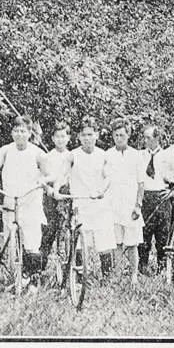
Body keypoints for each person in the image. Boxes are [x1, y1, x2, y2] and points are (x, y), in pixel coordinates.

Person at [0, 116, 48, 291]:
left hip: (30, 200)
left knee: (32, 241)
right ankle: (17, 277)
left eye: (23, 131)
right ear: (12, 133)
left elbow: (48, 174)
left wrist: (41, 182)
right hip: (11, 198)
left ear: (30, 133)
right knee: (11, 238)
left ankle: (33, 280)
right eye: (16, 131)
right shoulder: (6, 150)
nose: (19, 134)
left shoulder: (37, 152)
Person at [54, 118, 115, 278]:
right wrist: (56, 190)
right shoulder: (73, 155)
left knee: (104, 243)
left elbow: (109, 177)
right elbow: (61, 175)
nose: (87, 138)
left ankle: (107, 280)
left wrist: (101, 190)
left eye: (90, 134)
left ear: (96, 135)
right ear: (79, 137)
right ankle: (80, 278)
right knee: (80, 243)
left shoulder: (103, 155)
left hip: (99, 204)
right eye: (84, 135)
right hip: (80, 203)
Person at [104, 118, 144, 284]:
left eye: (122, 135)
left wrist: (138, 205)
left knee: (132, 243)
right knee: (117, 243)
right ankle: (118, 274)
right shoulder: (107, 154)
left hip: (130, 205)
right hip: (113, 205)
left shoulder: (136, 155)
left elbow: (141, 183)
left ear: (128, 135)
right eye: (116, 135)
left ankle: (134, 275)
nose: (119, 138)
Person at [138, 123, 174, 276]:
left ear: (157, 138)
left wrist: (172, 191)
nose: (145, 140)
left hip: (162, 197)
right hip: (145, 197)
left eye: (148, 137)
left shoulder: (168, 155)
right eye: (144, 137)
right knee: (143, 234)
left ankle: (162, 269)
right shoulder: (140, 155)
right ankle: (143, 267)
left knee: (162, 235)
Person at [39, 121, 72, 272]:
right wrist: (49, 190)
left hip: (67, 196)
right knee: (48, 233)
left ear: (68, 138)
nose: (60, 139)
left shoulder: (71, 156)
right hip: (51, 197)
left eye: (63, 136)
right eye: (57, 136)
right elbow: (42, 178)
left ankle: (69, 270)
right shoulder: (47, 157)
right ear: (52, 138)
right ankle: (40, 270)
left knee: (67, 233)